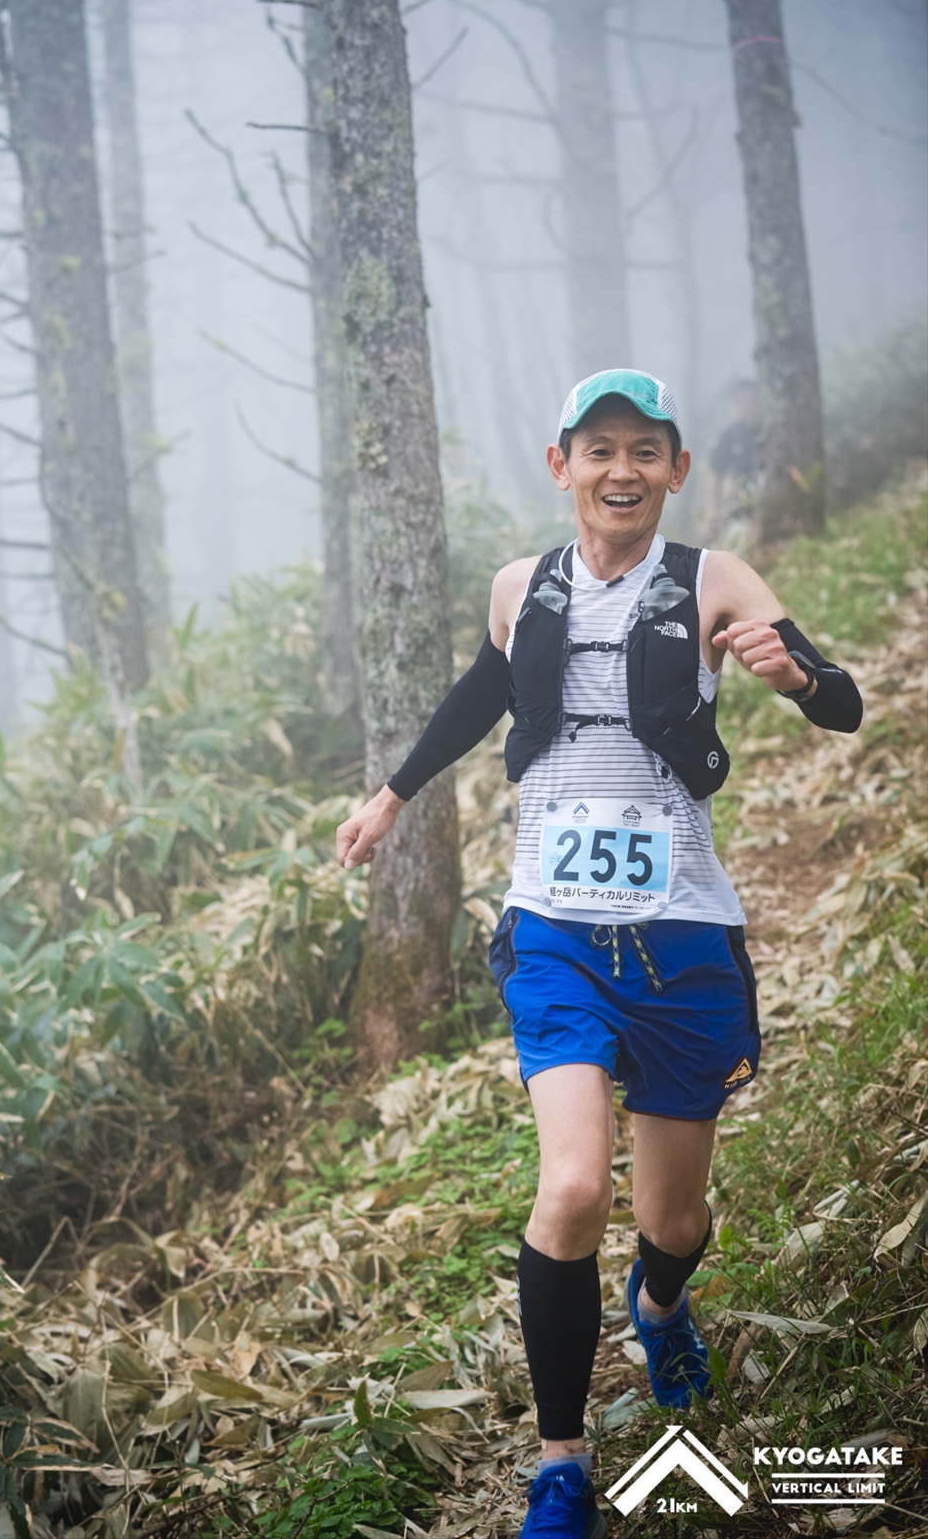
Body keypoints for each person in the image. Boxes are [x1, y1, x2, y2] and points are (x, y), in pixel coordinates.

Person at [335, 369, 862, 1539]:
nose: (619, 469)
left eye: (642, 449)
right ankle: (560, 1461)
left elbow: (842, 704)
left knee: (672, 1219)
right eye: (597, 448)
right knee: (572, 1185)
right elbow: (479, 694)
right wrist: (390, 795)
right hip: (554, 931)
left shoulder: (712, 579)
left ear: (675, 468)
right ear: (560, 464)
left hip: (681, 937)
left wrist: (794, 675)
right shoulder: (517, 586)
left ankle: (659, 1304)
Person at [703, 379, 760, 546]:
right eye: (742, 401)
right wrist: (711, 511)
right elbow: (717, 471)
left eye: (751, 399)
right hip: (740, 506)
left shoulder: (770, 431)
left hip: (768, 502)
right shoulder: (731, 434)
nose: (747, 405)